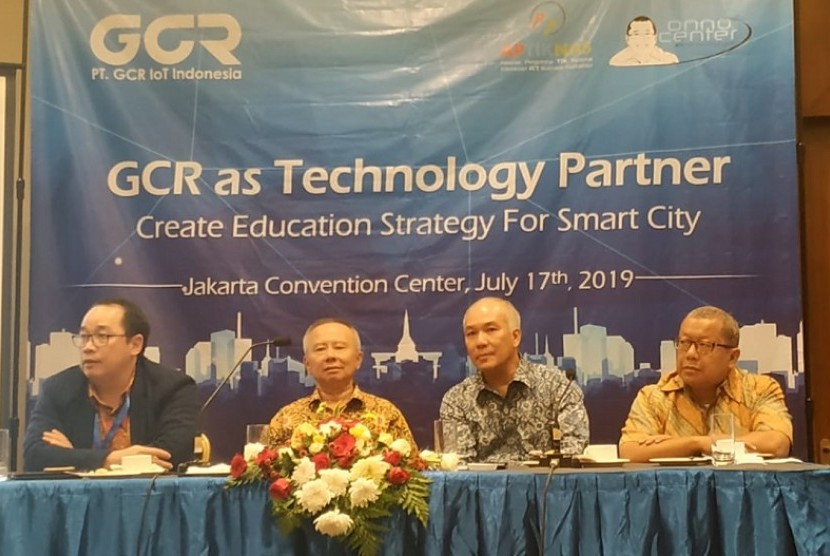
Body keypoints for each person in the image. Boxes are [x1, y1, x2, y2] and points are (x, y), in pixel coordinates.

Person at [23, 298, 199, 471]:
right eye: (84, 337)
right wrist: (109, 460)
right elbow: (34, 455)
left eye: (102, 336)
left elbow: (172, 454)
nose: (88, 347)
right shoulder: (58, 388)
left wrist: (74, 456)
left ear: (135, 344)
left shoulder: (173, 388)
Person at [619, 306, 793, 462]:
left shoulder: (759, 389)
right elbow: (630, 450)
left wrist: (679, 445)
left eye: (704, 345)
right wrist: (696, 443)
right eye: (684, 343)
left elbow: (777, 444)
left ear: (732, 357)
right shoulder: (653, 397)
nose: (690, 354)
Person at [439, 297, 589, 462]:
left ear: (515, 337)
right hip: (482, 480)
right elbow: (459, 467)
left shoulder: (558, 387)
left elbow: (573, 454)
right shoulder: (457, 400)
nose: (480, 342)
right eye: (471, 333)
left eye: (491, 329)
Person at [267, 318, 417, 448]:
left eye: (339, 347)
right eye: (320, 349)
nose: (330, 355)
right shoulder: (285, 418)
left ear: (358, 359)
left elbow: (413, 468)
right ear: (307, 364)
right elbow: (265, 469)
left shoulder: (386, 414)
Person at [609, 16, 679, 67]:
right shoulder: (616, 62)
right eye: (636, 34)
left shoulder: (670, 60)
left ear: (655, 38)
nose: (642, 38)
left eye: (647, 33)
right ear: (627, 39)